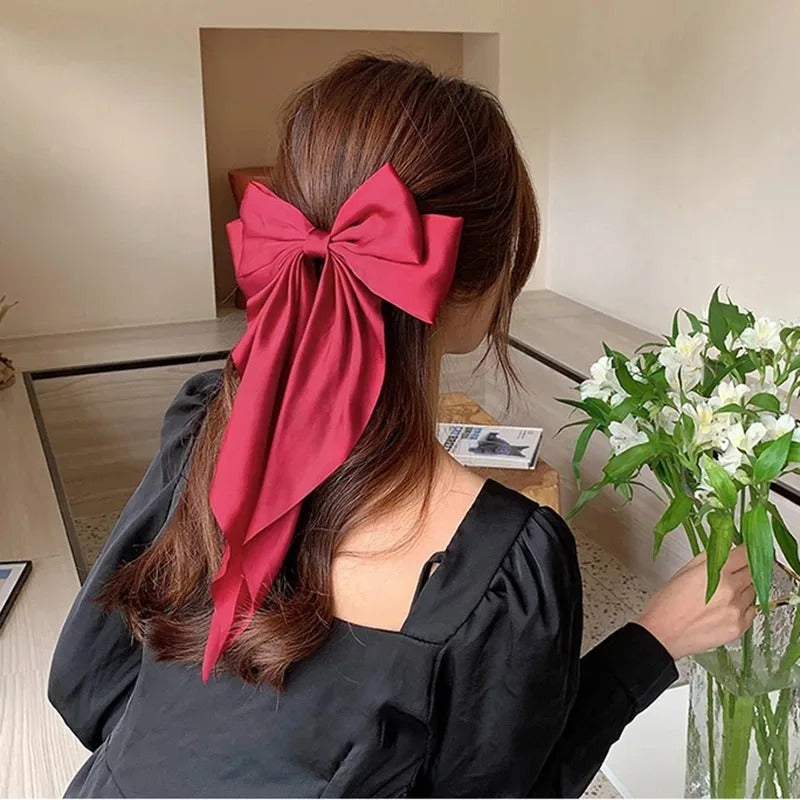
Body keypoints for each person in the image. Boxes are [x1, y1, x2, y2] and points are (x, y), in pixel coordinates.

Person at [48, 55, 756, 798]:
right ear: (478, 279)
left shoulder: (207, 424)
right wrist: (653, 642)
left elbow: (86, 684)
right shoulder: (504, 563)